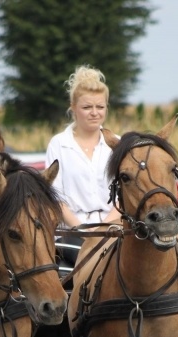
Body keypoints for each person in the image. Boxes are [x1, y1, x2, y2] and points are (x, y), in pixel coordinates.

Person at [45, 65, 120, 229]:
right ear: (73, 107)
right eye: (87, 107)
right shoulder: (58, 145)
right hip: (72, 233)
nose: (94, 113)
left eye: (100, 107)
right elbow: (55, 197)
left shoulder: (118, 143)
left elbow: (125, 196)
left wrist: (103, 229)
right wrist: (81, 230)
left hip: (113, 231)